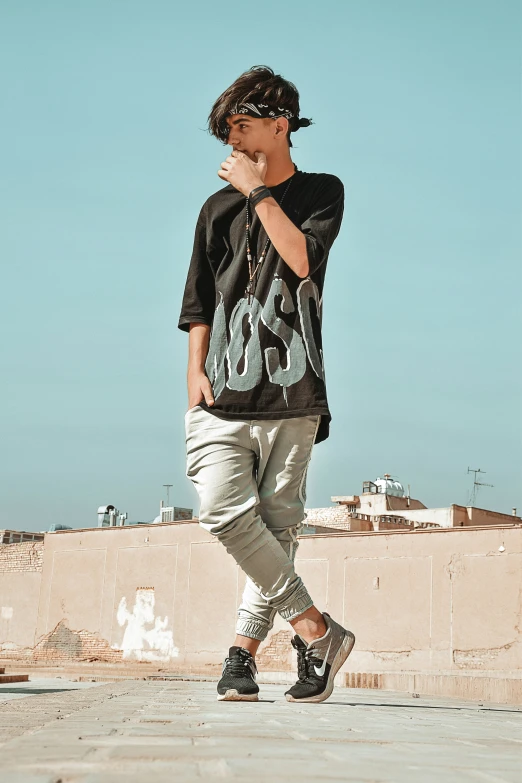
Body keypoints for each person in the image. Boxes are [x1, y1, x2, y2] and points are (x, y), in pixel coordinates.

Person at [178, 65, 355, 703]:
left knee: (278, 530)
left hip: (294, 389)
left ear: (280, 126)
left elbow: (302, 260)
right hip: (222, 390)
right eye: (227, 134)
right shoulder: (215, 207)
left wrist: (258, 192)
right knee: (224, 514)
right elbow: (197, 300)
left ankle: (243, 656)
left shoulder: (321, 191)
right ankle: (316, 630)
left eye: (244, 128)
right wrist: (194, 372)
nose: (234, 145)